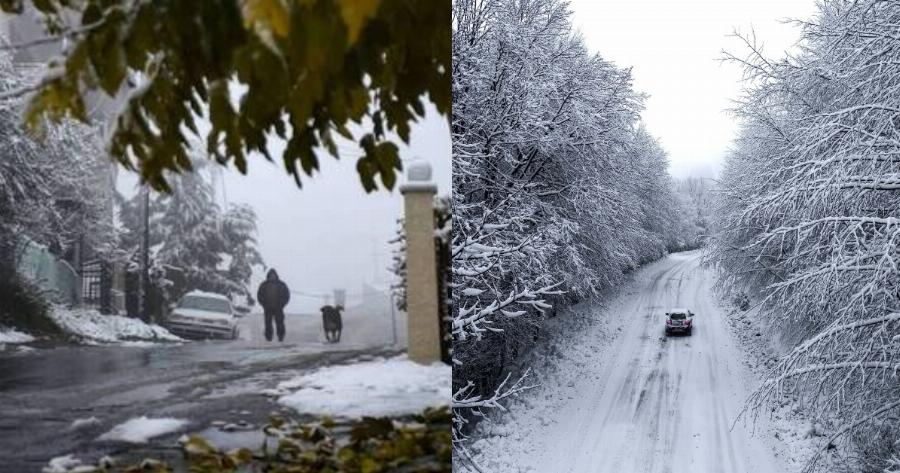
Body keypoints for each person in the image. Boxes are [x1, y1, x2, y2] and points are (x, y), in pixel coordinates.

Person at [256, 269, 290, 342]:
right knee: (268, 324)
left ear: (276, 275)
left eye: (273, 275)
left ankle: (281, 337)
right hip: (268, 308)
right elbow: (259, 295)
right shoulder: (264, 285)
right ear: (268, 276)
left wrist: (282, 304)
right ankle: (268, 338)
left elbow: (287, 295)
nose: (272, 277)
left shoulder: (281, 285)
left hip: (278, 308)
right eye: (271, 275)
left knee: (280, 323)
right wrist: (264, 304)